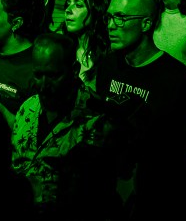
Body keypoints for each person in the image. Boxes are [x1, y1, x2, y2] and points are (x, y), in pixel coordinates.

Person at [94, 0, 186, 218]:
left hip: (155, 196)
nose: (111, 25)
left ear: (146, 24)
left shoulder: (177, 80)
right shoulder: (108, 65)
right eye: (109, 17)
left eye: (120, 18)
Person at [11, 32, 114, 214]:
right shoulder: (28, 107)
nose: (43, 85)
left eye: (53, 76)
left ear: (74, 70)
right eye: (38, 75)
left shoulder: (95, 119)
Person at [61, 0, 110, 90]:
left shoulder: (108, 55)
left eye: (78, 5)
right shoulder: (62, 50)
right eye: (68, 4)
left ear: (96, 10)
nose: (68, 10)